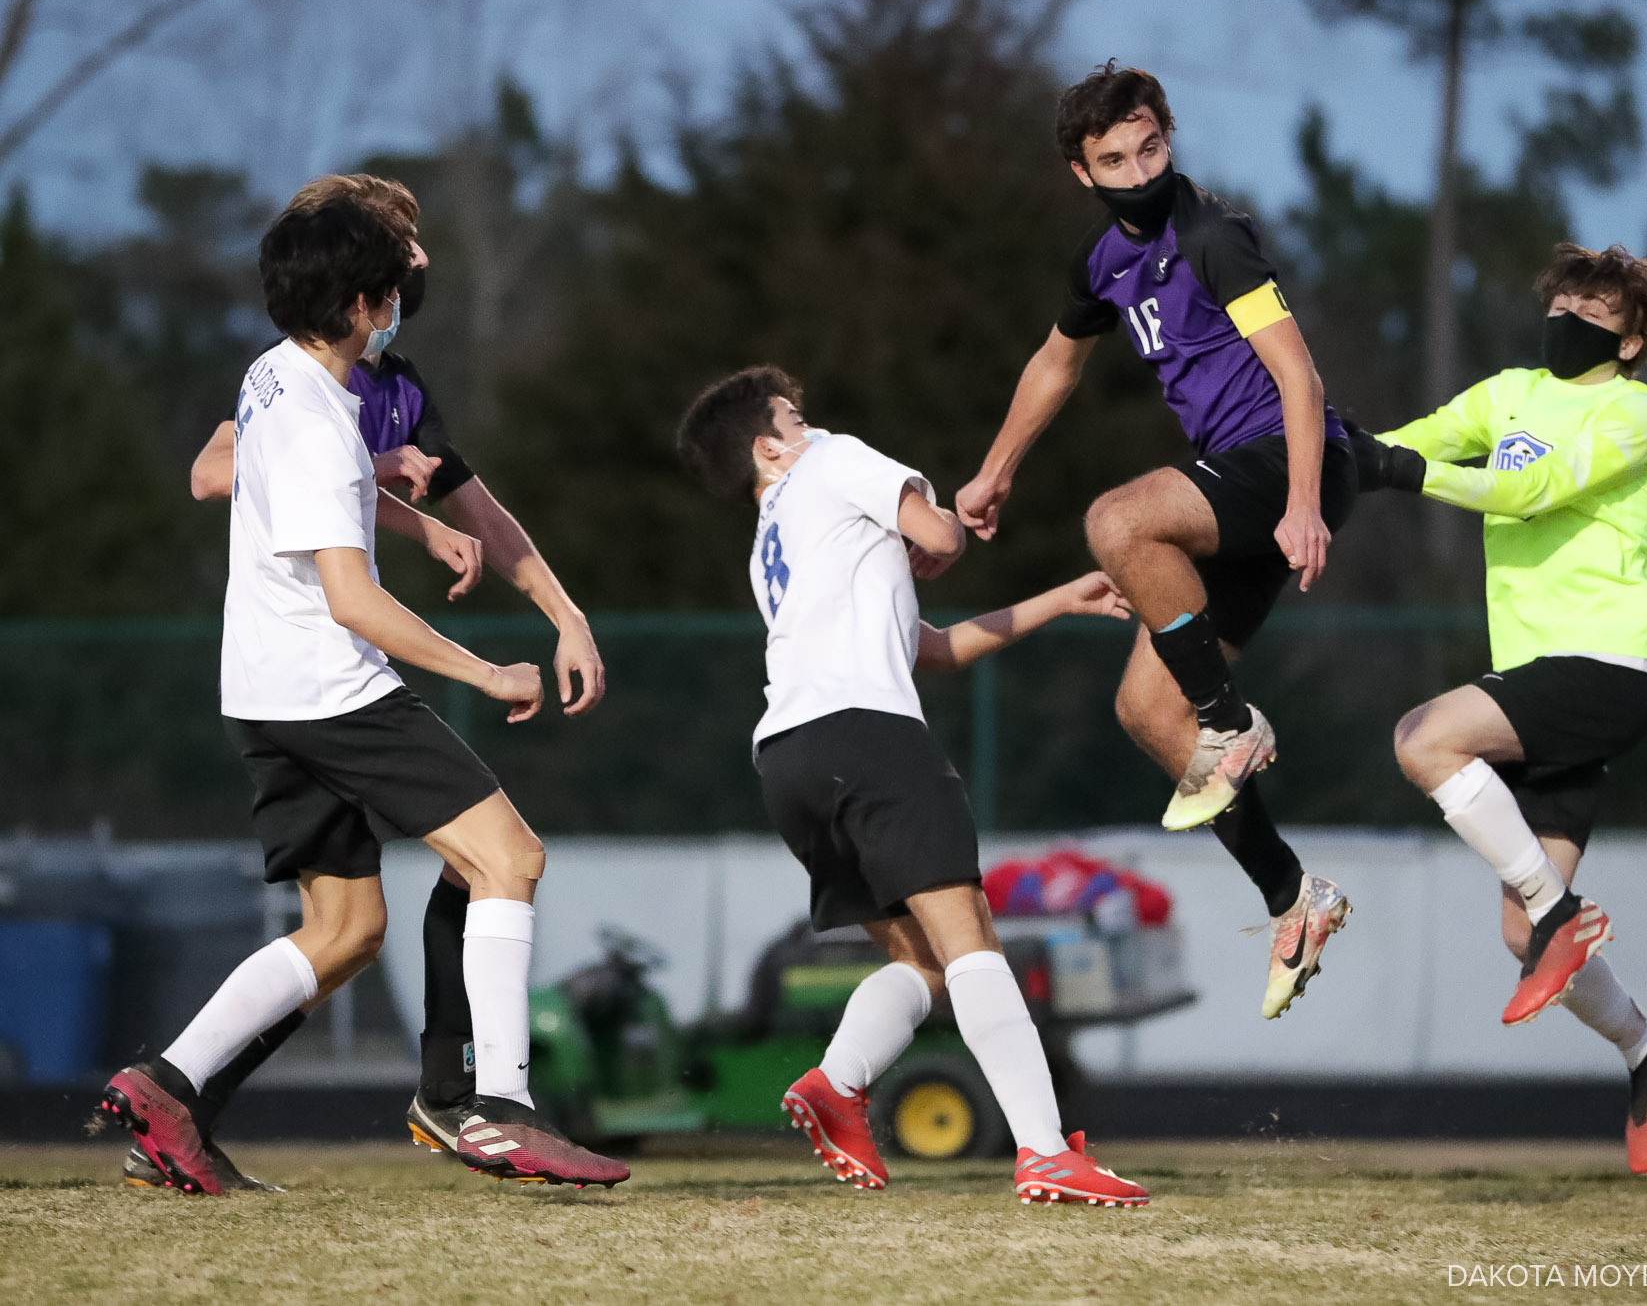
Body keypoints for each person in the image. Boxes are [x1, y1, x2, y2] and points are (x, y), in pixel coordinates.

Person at [97, 191, 627, 1194]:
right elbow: (335, 582)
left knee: (344, 930)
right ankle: (493, 1106)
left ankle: (166, 1088)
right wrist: (484, 666)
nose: (410, 273)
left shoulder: (299, 379)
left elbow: (451, 506)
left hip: (262, 686)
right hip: (327, 685)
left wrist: (559, 611)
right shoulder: (319, 415)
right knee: (507, 854)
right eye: (398, 257)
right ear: (359, 295)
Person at [676, 365, 1148, 1206]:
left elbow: (928, 647)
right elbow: (946, 536)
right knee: (972, 939)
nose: (810, 421)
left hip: (788, 761)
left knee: (923, 963)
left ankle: (835, 1082)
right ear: (768, 447)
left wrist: (1059, 600)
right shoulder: (830, 460)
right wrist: (943, 522)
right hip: (870, 739)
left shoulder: (770, 544)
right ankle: (1044, 1150)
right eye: (795, 414)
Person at [955, 63, 1353, 1020]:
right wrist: (997, 466)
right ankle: (1296, 896)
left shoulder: (1213, 237)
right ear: (1080, 173)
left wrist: (1303, 504)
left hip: (1289, 464)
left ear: (1168, 140)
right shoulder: (1101, 262)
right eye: (1114, 160)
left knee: (1116, 519)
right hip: (1236, 484)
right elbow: (1057, 360)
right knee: (1143, 709)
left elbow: (1298, 379)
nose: (1139, 172)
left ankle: (1233, 722)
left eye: (1152, 149)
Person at [1349, 242, 1647, 1175]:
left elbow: (1532, 489)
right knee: (1518, 933)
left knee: (1422, 738)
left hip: (1608, 663)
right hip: (1542, 675)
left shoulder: (1637, 411)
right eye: (1568, 298)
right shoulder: (1505, 392)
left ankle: (1561, 913)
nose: (1574, 314)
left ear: (1630, 341)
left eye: (1599, 309)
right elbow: (1414, 439)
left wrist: (1405, 475)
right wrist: (1329, 461)